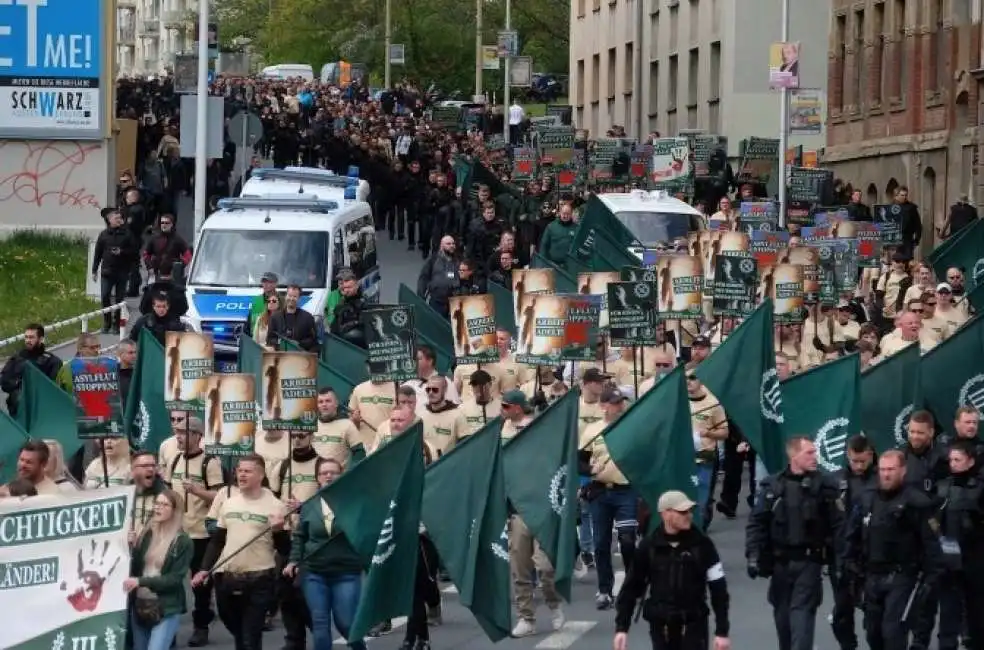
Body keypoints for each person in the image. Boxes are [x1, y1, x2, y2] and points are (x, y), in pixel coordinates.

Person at [745, 436, 844, 650]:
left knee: (801, 617)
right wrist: (753, 555)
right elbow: (757, 523)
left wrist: (840, 561)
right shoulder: (773, 486)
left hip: (810, 561)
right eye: (808, 452)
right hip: (780, 564)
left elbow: (839, 526)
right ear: (793, 455)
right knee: (783, 622)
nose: (814, 457)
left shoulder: (825, 486)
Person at [840, 449, 943, 650]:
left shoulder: (917, 502)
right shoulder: (867, 498)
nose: (886, 474)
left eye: (892, 469)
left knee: (893, 631)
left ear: (903, 471)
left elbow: (932, 542)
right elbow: (852, 534)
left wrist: (931, 579)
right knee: (873, 632)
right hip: (872, 574)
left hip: (903, 575)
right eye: (883, 469)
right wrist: (848, 561)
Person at [613, 490, 731, 650]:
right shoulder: (649, 546)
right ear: (665, 514)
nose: (688, 515)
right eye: (682, 512)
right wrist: (622, 628)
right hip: (661, 627)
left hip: (694, 625)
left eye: (689, 511)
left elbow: (719, 588)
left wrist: (722, 631)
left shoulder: (702, 545)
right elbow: (631, 588)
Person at [194, 455, 289, 650]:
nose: (241, 475)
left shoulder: (276, 505)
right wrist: (204, 569)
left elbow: (285, 549)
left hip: (260, 579)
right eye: (239, 470)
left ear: (261, 475)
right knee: (237, 631)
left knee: (250, 638)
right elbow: (217, 541)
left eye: (248, 471)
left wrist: (278, 531)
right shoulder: (229, 503)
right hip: (226, 577)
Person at [284, 458, 366, 650]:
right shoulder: (310, 504)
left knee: (345, 623)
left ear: (342, 474)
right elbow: (300, 535)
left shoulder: (353, 502)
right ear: (317, 478)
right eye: (323, 473)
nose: (328, 476)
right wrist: (293, 561)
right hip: (314, 572)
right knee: (320, 625)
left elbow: (364, 532)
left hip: (346, 572)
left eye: (333, 472)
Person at [125, 489, 193, 650]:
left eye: (164, 504)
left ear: (174, 510)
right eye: (157, 503)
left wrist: (141, 581)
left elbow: (175, 579)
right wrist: (131, 548)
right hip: (140, 604)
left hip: (166, 607)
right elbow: (134, 568)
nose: (158, 508)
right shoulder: (146, 534)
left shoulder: (182, 542)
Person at [0, 323, 62, 416]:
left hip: (42, 412)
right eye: (26, 337)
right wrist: (19, 385)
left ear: (41, 339)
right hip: (18, 412)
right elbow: (4, 382)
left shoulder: (52, 362)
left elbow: (54, 390)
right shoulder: (17, 359)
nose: (28, 340)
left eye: (31, 337)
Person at [267, 284, 319, 352]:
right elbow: (270, 339)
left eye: (294, 296)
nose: (291, 299)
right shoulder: (275, 317)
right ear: (286, 296)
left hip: (300, 356)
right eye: (289, 295)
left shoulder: (308, 317)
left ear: (299, 298)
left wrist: (299, 343)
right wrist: (282, 342)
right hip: (280, 357)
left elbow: (313, 340)